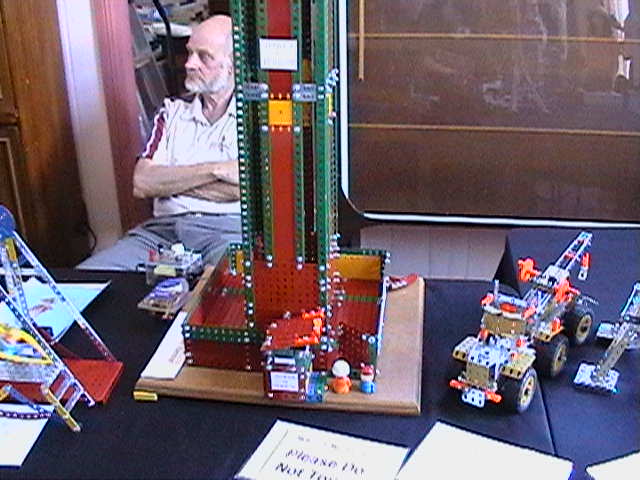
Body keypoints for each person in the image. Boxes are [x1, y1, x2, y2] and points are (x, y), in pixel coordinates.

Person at [78, 15, 241, 271]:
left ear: (232, 64)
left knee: (231, 285)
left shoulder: (253, 117)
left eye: (204, 56)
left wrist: (170, 185)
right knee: (89, 276)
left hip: (227, 232)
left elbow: (251, 192)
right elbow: (143, 182)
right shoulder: (171, 112)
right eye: (189, 53)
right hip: (161, 233)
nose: (189, 64)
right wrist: (217, 170)